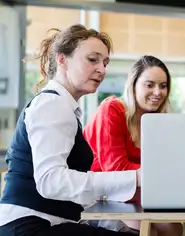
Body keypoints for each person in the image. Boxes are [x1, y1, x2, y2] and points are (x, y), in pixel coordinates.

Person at [0, 24, 140, 236]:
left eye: (105, 62)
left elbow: (73, 195)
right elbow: (51, 180)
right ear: (62, 59)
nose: (102, 69)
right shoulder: (52, 105)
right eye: (92, 59)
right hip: (29, 226)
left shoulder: (62, 107)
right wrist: (136, 177)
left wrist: (117, 227)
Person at [83, 55, 183, 236]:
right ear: (133, 85)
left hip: (138, 198)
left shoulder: (157, 122)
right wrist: (163, 177)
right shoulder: (112, 109)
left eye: (163, 85)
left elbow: (165, 167)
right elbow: (116, 170)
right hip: (100, 198)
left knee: (173, 227)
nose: (158, 92)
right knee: (148, 229)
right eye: (149, 84)